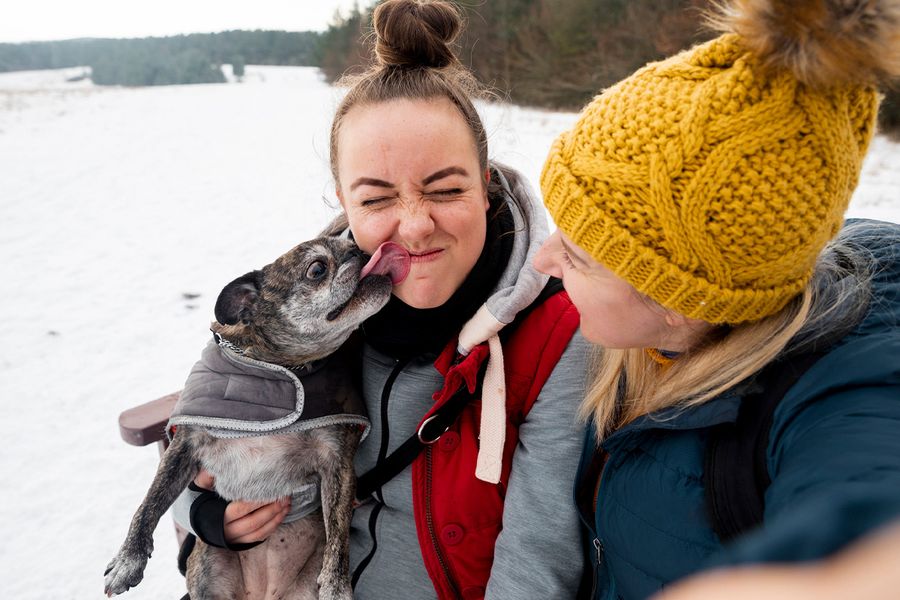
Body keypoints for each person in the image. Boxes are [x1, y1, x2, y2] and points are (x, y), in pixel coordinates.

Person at [172, 1, 589, 599]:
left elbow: (536, 560)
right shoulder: (304, 308)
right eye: (376, 200)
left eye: (445, 189)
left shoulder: (555, 335)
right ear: (343, 199)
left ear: (488, 187)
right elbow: (201, 449)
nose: (415, 227)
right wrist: (206, 520)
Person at [532, 0, 900, 598]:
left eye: (579, 255)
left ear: (680, 297)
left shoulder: (841, 389)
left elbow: (868, 501)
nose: (543, 261)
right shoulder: (650, 345)